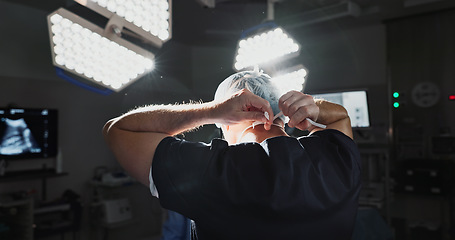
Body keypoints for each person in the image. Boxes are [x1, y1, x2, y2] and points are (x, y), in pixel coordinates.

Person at [103, 71, 361, 240]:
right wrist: (313, 107)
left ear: (227, 122)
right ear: (281, 116)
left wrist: (210, 111)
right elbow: (340, 117)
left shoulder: (211, 172)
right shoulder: (336, 159)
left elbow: (118, 130)